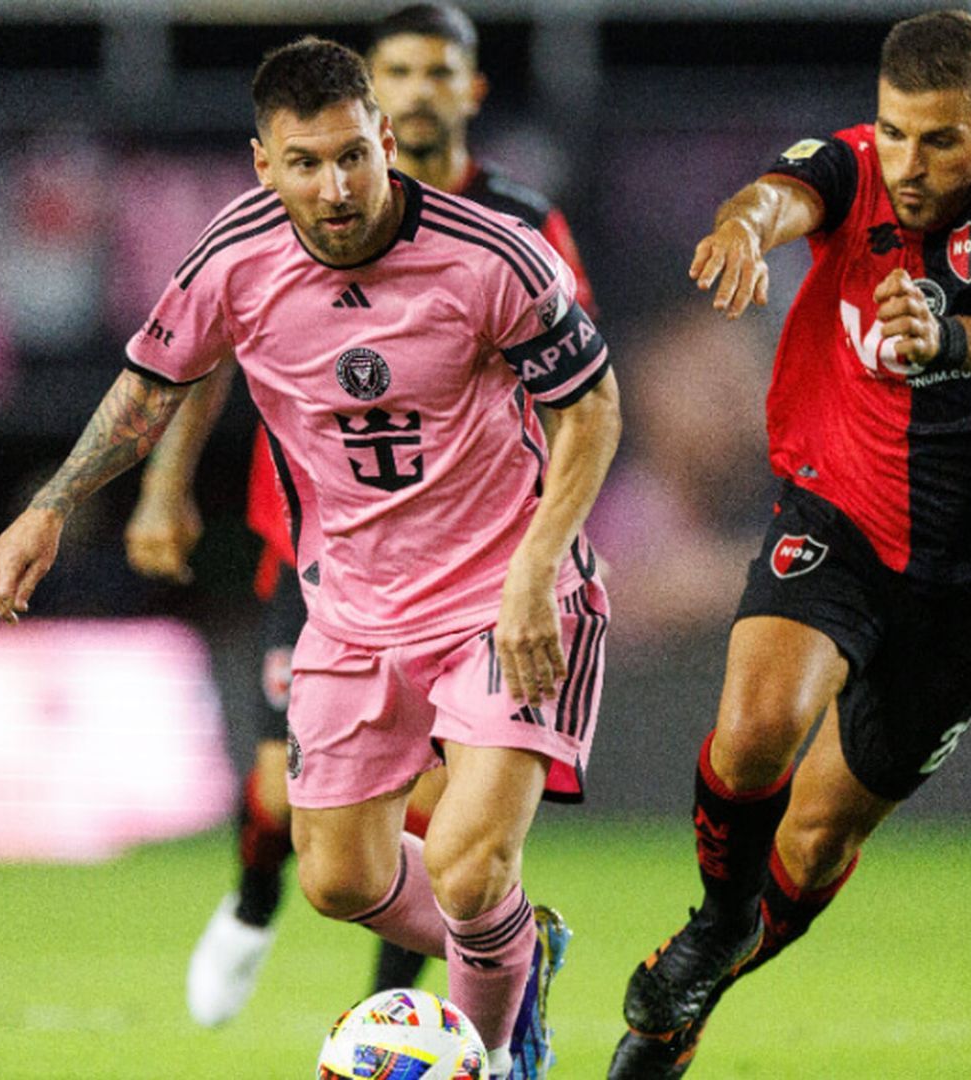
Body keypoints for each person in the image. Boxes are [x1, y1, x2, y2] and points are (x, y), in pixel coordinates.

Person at [0, 36, 620, 1080]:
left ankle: (494, 1057)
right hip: (353, 612)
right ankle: (516, 946)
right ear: (264, 164)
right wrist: (51, 507)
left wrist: (540, 567)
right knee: (339, 877)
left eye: (356, 155)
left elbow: (591, 410)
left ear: (387, 143)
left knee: (464, 863)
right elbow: (152, 384)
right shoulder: (233, 259)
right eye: (308, 162)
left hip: (501, 600)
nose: (339, 185)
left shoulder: (493, 254)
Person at [606, 11, 971, 1077]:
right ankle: (714, 924)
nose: (911, 167)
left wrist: (955, 337)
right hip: (838, 518)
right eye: (896, 134)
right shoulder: (854, 166)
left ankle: (706, 981)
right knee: (752, 733)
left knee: (822, 836)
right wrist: (745, 227)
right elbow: (782, 193)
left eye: (940, 140)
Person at [122, 1, 599, 1027]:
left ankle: (450, 1014)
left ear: (452, 98)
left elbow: (577, 392)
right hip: (319, 560)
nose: (417, 90)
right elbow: (193, 358)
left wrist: (536, 556)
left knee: (459, 843)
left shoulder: (515, 228)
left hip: (471, 563)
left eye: (437, 72)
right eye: (399, 71)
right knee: (288, 803)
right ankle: (255, 905)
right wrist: (165, 484)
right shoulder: (264, 240)